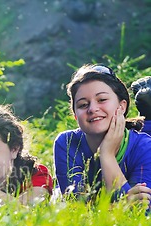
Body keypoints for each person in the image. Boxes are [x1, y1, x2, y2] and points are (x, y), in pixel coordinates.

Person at [54, 64, 151, 204]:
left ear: (121, 106)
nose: (92, 109)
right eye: (83, 105)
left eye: (102, 100)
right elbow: (76, 206)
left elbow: (141, 213)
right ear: (75, 115)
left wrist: (106, 154)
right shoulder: (67, 143)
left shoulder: (144, 147)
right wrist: (123, 203)